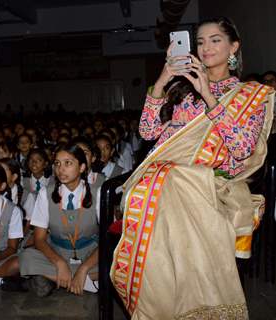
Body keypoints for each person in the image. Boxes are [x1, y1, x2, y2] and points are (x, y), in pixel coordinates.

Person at [111, 17, 274, 319]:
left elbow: (241, 150)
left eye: (215, 40)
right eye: (200, 41)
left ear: (233, 47)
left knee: (171, 182)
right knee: (168, 180)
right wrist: (162, 80)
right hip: (168, 178)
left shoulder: (250, 95)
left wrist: (209, 96)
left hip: (215, 183)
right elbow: (147, 133)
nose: (206, 47)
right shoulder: (182, 92)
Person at [12, 144, 100, 297]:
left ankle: (60, 279)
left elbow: (107, 240)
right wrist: (60, 263)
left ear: (82, 167)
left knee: (117, 259)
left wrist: (84, 268)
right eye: (57, 163)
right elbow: (39, 239)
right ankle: (85, 282)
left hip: (90, 255)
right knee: (26, 257)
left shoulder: (97, 192)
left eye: (68, 163)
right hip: (57, 253)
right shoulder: (45, 194)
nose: (61, 169)